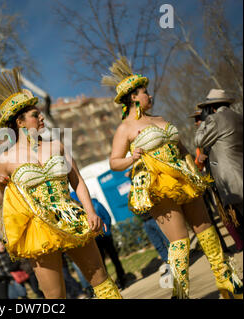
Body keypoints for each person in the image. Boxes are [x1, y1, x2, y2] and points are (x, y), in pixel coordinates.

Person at [104, 56, 242, 299]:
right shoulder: (125, 128)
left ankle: (228, 283)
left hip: (184, 177)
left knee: (206, 230)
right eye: (145, 92)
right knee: (179, 241)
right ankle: (181, 294)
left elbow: (182, 148)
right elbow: (114, 162)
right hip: (159, 184)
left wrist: (195, 167)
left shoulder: (160, 119)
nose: (150, 96)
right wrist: (131, 158)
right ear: (134, 97)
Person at [0, 67, 121, 299]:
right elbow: (4, 204)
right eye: (34, 115)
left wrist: (89, 211)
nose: (41, 118)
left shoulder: (57, 146)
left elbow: (77, 180)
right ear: (19, 122)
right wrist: (1, 189)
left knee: (101, 281)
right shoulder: (6, 159)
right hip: (38, 229)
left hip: (72, 216)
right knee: (55, 296)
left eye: (40, 114)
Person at [194, 89, 243, 251]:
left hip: (232, 179)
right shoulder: (238, 117)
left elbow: (198, 140)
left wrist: (204, 122)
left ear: (212, 107)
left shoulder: (215, 119)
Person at [71, 192, 127, 289]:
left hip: (103, 237)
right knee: (105, 261)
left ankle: (120, 279)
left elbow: (107, 217)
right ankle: (111, 282)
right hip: (98, 238)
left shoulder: (93, 205)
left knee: (110, 259)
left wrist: (106, 231)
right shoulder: (85, 208)